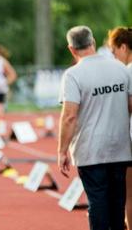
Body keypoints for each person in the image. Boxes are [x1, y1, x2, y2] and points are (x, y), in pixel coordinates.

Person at [58, 25, 132, 230]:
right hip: (120, 148)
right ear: (93, 42)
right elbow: (130, 106)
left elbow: (69, 116)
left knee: (98, 201)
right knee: (117, 203)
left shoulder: (73, 75)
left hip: (90, 150)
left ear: (72, 49)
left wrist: (62, 150)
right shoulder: (121, 69)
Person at [108, 26, 132, 229]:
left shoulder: (127, 71)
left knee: (129, 195)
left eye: (114, 51)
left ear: (123, 47)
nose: (114, 57)